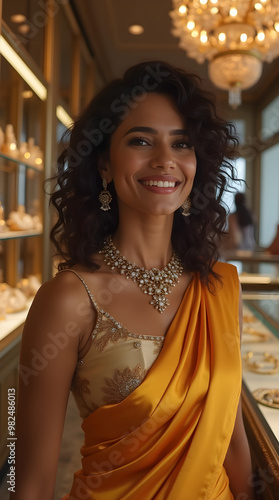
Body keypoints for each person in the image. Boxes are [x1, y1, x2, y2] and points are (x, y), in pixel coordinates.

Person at [11, 61, 255, 500]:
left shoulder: (217, 288)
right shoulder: (69, 300)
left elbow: (232, 441)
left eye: (182, 144)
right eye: (141, 140)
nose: (165, 160)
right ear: (104, 163)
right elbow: (29, 484)